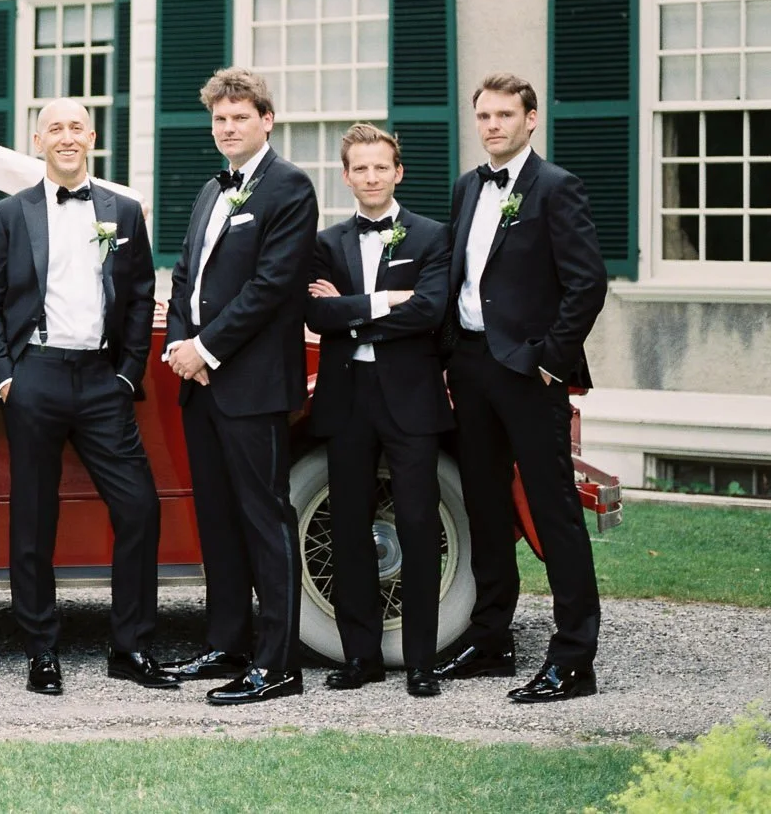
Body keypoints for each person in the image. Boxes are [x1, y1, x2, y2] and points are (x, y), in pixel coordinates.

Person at [0, 98, 167, 695]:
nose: (67, 137)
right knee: (34, 517)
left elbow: (140, 295)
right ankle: (41, 652)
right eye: (55, 128)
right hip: (34, 374)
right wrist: (5, 375)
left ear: (92, 137)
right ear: (39, 140)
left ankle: (130, 647)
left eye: (76, 127)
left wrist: (129, 373)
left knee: (139, 507)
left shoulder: (124, 211)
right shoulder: (10, 215)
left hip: (101, 380)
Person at [434, 74, 607, 703]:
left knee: (553, 509)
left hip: (530, 375)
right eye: (483, 115)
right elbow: (458, 278)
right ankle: (490, 639)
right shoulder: (466, 188)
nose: (493, 125)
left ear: (530, 120)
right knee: (483, 506)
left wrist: (549, 363)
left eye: (505, 114)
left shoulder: (556, 188)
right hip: (472, 369)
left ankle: (573, 658)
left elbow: (587, 284)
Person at [161, 68, 316, 705]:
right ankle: (227, 642)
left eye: (239, 118)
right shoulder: (210, 189)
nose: (227, 129)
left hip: (251, 384)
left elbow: (271, 287)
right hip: (201, 383)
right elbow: (184, 275)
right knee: (218, 521)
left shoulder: (290, 188)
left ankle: (278, 663)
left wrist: (206, 347)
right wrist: (178, 340)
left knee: (265, 519)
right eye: (220, 120)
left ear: (266, 121)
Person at [304, 124, 452, 698]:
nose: (370, 177)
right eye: (359, 169)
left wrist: (351, 312)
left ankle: (421, 662)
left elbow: (431, 311)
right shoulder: (327, 243)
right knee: (347, 529)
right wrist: (383, 301)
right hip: (347, 397)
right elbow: (315, 318)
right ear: (346, 177)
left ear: (398, 172)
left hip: (411, 399)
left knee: (417, 528)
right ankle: (360, 656)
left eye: (379, 167)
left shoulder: (433, 237)